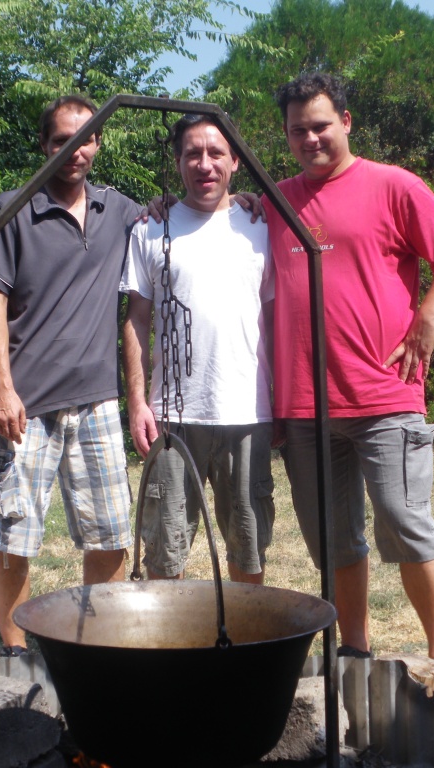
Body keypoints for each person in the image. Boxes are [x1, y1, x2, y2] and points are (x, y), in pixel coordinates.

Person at [266, 72, 434, 700]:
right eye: (298, 130)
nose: (310, 138)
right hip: (305, 406)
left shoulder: (393, 185)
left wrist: (428, 318)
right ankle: (354, 648)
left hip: (385, 393)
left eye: (320, 126)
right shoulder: (275, 201)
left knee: (406, 522)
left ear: (346, 122)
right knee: (331, 537)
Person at [0, 95, 139, 657]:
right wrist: (1, 388)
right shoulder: (13, 210)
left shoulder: (120, 210)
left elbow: (180, 213)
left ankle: (100, 646)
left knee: (110, 532)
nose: (74, 150)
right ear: (45, 145)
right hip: (26, 405)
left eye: (85, 139)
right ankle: (16, 649)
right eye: (63, 140)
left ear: (98, 143)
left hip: (98, 402)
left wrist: (240, 200)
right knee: (14, 535)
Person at [122, 113, 275, 584]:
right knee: (164, 555)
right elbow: (137, 319)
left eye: (215, 153)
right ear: (177, 162)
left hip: (247, 413)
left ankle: (243, 633)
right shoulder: (150, 228)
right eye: (192, 153)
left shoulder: (263, 225)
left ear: (235, 160)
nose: (204, 164)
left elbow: (275, 320)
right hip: (172, 418)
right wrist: (137, 402)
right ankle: (167, 634)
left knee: (248, 551)